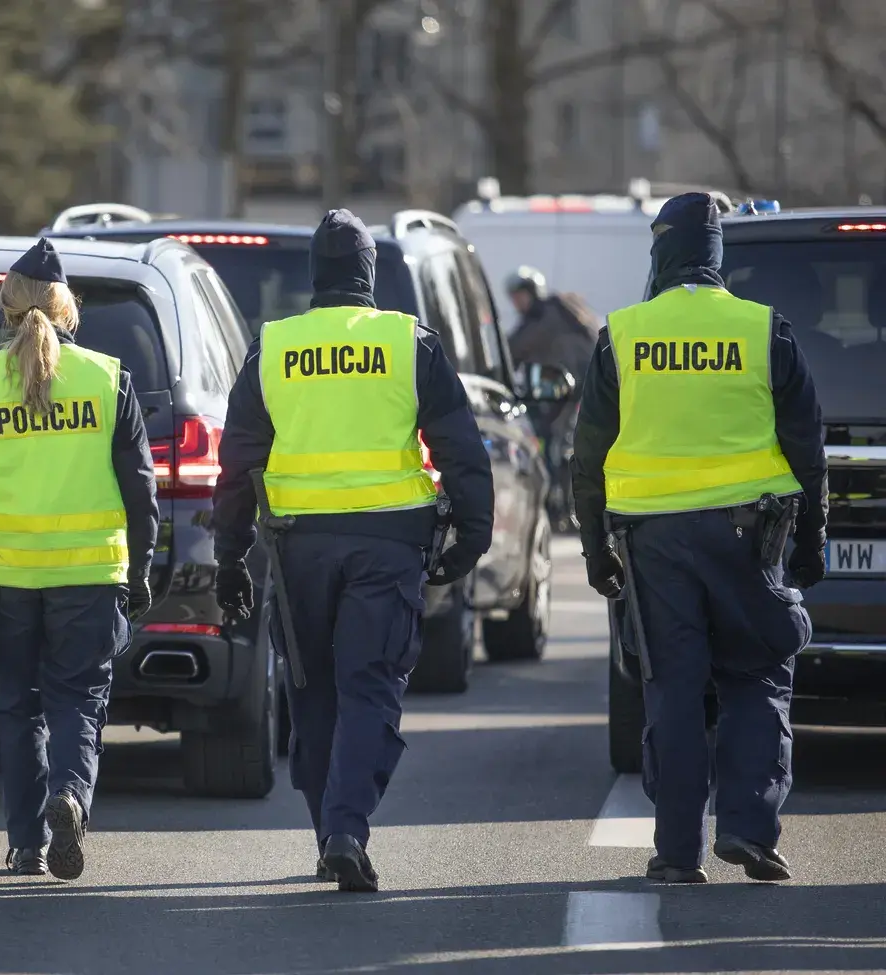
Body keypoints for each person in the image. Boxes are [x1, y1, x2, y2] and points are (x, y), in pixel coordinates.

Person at [211, 210, 493, 892]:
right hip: (387, 543)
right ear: (368, 274)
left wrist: (229, 557)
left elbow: (238, 462)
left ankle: (329, 832)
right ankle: (345, 829)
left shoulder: (273, 345)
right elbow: (460, 446)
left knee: (312, 697)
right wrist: (471, 535)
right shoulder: (406, 342)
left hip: (298, 550)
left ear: (316, 274)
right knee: (369, 688)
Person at [570, 192, 827, 884]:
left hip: (653, 545)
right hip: (749, 541)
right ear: (717, 255)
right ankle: (748, 827)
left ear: (660, 251)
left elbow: (587, 455)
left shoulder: (623, 334)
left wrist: (596, 550)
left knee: (675, 690)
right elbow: (807, 445)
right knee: (758, 673)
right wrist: (813, 542)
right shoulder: (761, 329)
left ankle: (677, 851)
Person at [0, 238, 157, 881]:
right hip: (88, 575)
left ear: (6, 308)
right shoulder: (109, 380)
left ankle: (26, 843)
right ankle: (72, 796)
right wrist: (140, 569)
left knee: (15, 709)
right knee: (78, 698)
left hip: (1, 580)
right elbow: (140, 487)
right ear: (66, 307)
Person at [505, 266, 600, 531]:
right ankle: (559, 508)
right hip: (559, 392)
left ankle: (561, 508)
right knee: (556, 447)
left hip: (567, 392)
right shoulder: (554, 311)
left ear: (533, 292)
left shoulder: (547, 315)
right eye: (514, 297)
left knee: (558, 448)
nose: (518, 302)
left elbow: (514, 349)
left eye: (521, 295)